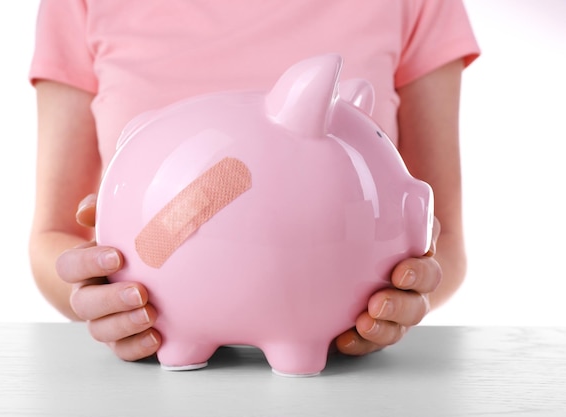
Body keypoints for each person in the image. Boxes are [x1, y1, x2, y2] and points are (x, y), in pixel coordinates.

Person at [28, 0, 480, 362]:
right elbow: (57, 234)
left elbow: (448, 240)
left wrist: (406, 294)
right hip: (155, 359)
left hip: (344, 380)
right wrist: (96, 295)